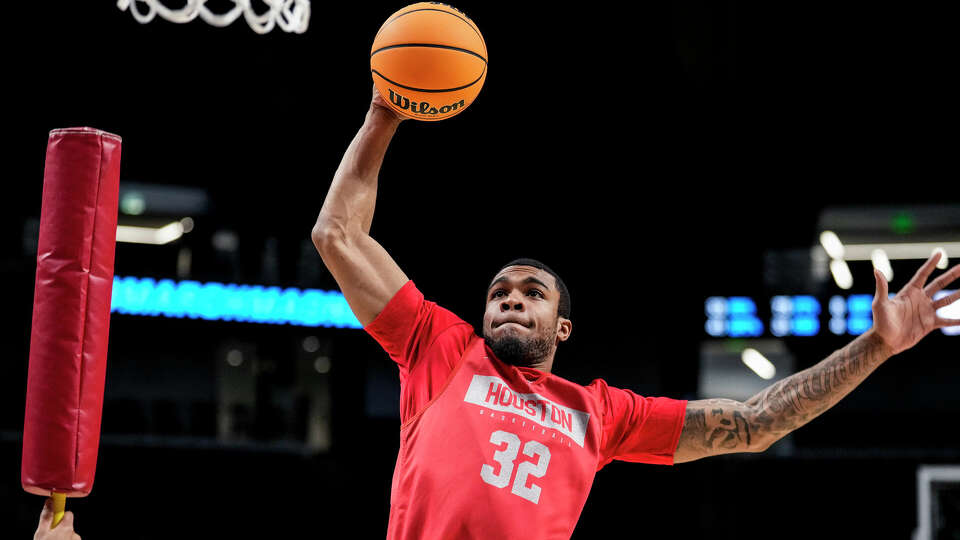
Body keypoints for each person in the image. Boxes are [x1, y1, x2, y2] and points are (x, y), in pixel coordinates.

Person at [311, 85, 960, 539]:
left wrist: (878, 344)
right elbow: (337, 234)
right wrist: (383, 117)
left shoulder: (599, 411)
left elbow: (756, 422)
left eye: (533, 292)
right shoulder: (441, 349)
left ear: (563, 328)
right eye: (499, 291)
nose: (510, 295)